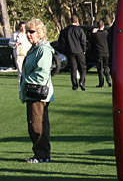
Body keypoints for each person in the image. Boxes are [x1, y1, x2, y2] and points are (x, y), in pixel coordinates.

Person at [19, 18, 54, 163]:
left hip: (38, 92)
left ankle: (42, 155)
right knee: (34, 123)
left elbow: (42, 72)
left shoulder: (43, 49)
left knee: (37, 124)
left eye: (31, 31)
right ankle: (40, 154)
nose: (28, 34)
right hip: (31, 92)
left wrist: (26, 81)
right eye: (27, 31)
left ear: (39, 32)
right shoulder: (35, 48)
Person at [58, 15, 89, 91]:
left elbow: (61, 42)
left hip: (70, 51)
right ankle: (82, 81)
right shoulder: (79, 30)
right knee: (83, 67)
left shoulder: (65, 31)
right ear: (77, 21)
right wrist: (84, 49)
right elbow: (83, 40)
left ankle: (74, 85)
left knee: (73, 68)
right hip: (79, 51)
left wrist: (66, 50)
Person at [89, 20, 112, 87]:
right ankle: (108, 80)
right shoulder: (107, 34)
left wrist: (93, 32)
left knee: (100, 68)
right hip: (106, 52)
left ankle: (101, 83)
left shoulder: (95, 35)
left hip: (99, 53)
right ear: (103, 26)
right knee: (106, 67)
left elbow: (90, 41)